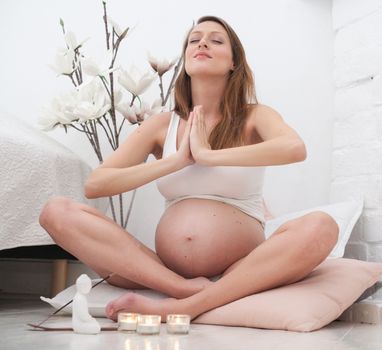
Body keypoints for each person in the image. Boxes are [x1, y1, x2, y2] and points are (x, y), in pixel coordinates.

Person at [39, 15, 338, 321]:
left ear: (233, 61)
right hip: (161, 272)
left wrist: (208, 156)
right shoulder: (162, 125)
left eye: (216, 40)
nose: (203, 43)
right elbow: (97, 184)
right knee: (56, 211)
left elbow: (294, 148)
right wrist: (175, 161)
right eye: (194, 40)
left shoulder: (254, 116)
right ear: (186, 60)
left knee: (322, 226)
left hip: (241, 268)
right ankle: (184, 290)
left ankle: (184, 307)